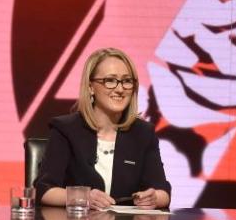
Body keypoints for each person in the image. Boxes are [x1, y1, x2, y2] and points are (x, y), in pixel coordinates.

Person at [34, 48, 171, 209]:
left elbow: (162, 192)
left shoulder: (143, 133)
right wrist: (82, 197)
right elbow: (44, 190)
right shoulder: (66, 130)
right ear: (91, 87)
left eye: (126, 81)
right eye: (110, 80)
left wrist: (154, 198)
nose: (120, 89)